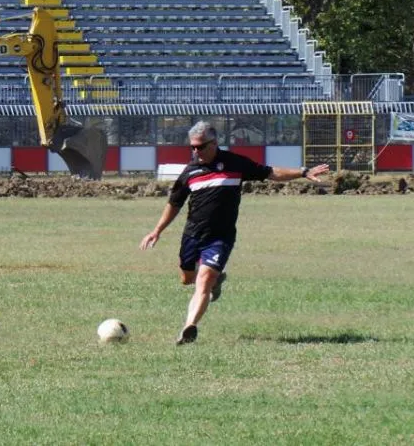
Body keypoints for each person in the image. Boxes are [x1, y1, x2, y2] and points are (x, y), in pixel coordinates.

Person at [139, 121, 329, 345]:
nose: (196, 151)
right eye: (193, 147)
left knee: (204, 280)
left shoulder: (235, 163)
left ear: (214, 143)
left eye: (201, 147)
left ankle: (189, 327)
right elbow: (174, 204)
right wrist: (157, 231)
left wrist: (303, 171)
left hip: (221, 236)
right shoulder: (190, 171)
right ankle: (217, 280)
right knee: (187, 279)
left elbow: (270, 173)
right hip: (192, 235)